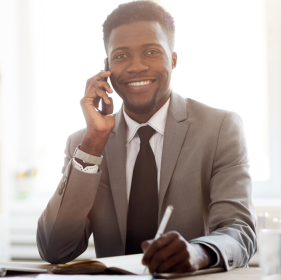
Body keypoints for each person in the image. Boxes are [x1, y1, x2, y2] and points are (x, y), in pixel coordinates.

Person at [36, 0, 256, 274]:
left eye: (151, 52)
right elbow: (55, 249)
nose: (136, 66)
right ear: (106, 68)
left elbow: (239, 230)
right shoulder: (85, 143)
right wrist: (93, 145)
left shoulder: (220, 128)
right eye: (121, 56)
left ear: (173, 60)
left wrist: (199, 252)